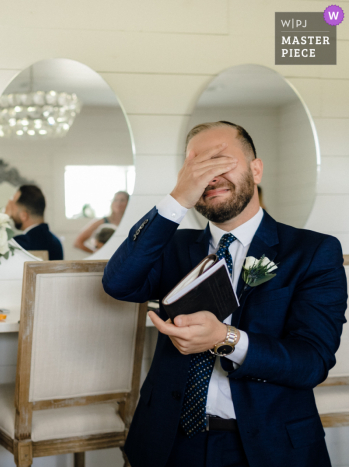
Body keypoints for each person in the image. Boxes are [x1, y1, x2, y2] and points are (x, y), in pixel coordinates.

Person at [102, 121, 346, 467]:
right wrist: (177, 199)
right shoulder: (174, 247)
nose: (209, 176)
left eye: (219, 161)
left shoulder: (312, 252)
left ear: (256, 169)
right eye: (196, 166)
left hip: (268, 446)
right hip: (168, 444)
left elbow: (311, 362)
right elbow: (118, 283)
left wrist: (226, 338)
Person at [5, 185, 64, 260]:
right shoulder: (56, 242)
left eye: (12, 206)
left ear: (23, 216)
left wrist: (4, 217)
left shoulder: (20, 243)